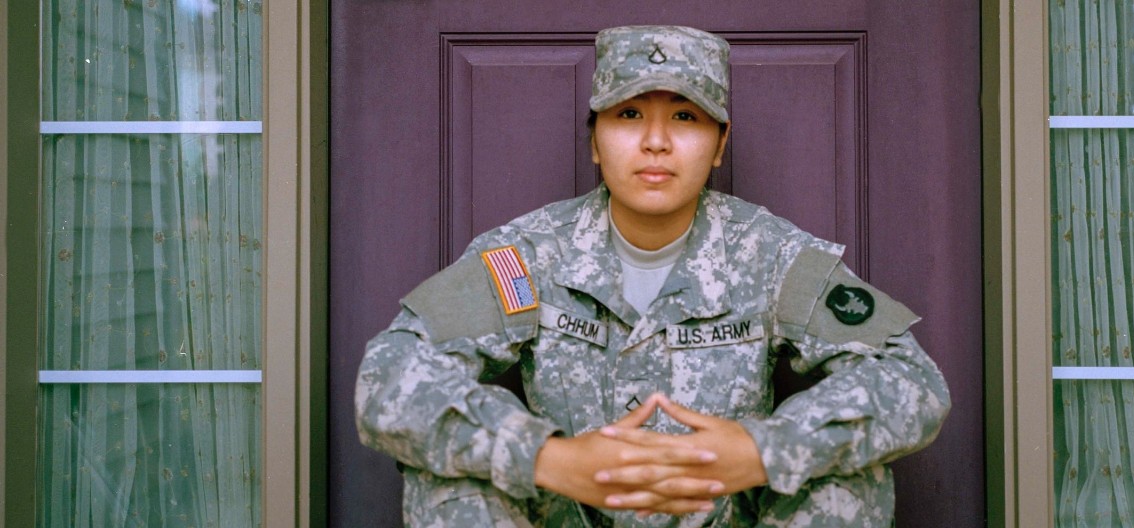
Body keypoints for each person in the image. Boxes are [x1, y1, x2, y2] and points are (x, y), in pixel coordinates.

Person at [355, 25, 950, 527]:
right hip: (569, 514)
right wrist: (545, 458)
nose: (657, 141)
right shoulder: (527, 255)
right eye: (630, 113)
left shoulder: (772, 254)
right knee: (445, 481)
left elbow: (911, 381)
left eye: (686, 117)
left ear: (719, 146)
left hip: (720, 517)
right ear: (595, 138)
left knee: (849, 481)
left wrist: (764, 449)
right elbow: (389, 379)